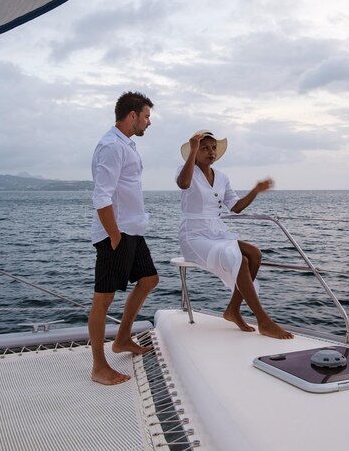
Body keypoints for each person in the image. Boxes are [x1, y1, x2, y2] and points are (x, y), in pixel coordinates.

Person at [176, 130, 293, 340]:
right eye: (205, 147)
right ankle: (263, 320)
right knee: (237, 257)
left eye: (213, 148)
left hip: (216, 232)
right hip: (193, 236)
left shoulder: (222, 177)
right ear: (195, 150)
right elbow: (183, 184)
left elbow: (236, 207)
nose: (211, 152)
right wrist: (192, 149)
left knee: (254, 254)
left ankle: (233, 310)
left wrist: (255, 190)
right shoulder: (187, 171)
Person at [88, 91, 159, 385]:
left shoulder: (125, 144)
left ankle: (122, 338)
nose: (148, 122)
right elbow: (101, 196)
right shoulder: (111, 147)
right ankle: (99, 367)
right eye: (146, 116)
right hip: (116, 233)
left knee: (149, 279)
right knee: (103, 299)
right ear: (132, 115)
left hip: (132, 230)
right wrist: (114, 236)